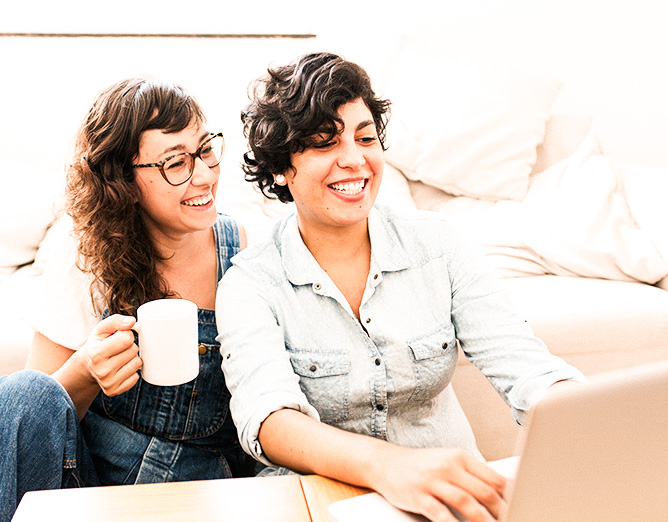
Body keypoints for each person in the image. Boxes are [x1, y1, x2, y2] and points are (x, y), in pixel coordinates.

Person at [215, 52, 586, 522]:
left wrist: (583, 414)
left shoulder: (439, 244)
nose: (355, 159)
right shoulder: (250, 281)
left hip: (451, 501)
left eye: (366, 137)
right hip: (320, 504)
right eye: (325, 143)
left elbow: (524, 364)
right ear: (280, 169)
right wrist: (392, 468)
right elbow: (270, 421)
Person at [0, 78, 251, 521]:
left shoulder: (242, 250)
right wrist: (86, 371)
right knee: (22, 393)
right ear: (124, 181)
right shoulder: (83, 253)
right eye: (175, 162)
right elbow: (33, 423)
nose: (204, 174)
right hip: (92, 490)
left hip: (200, 493)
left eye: (206, 149)